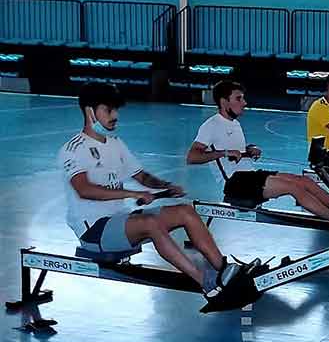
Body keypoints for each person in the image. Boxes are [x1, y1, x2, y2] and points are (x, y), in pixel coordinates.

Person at [58, 82, 242, 303]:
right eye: (109, 110)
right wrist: (132, 194)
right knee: (150, 223)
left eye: (116, 109)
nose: (115, 115)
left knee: (185, 211)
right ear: (90, 111)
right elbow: (84, 190)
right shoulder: (74, 149)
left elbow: (141, 176)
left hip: (120, 220)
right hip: (94, 231)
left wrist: (165, 186)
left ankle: (224, 269)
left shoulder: (115, 144)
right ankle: (204, 283)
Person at [187, 81, 329, 222]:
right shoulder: (211, 125)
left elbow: (234, 152)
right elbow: (192, 157)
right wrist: (224, 153)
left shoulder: (234, 124)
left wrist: (248, 150)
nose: (244, 103)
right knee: (294, 188)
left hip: (250, 176)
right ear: (223, 101)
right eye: (238, 99)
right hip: (236, 184)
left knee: (305, 181)